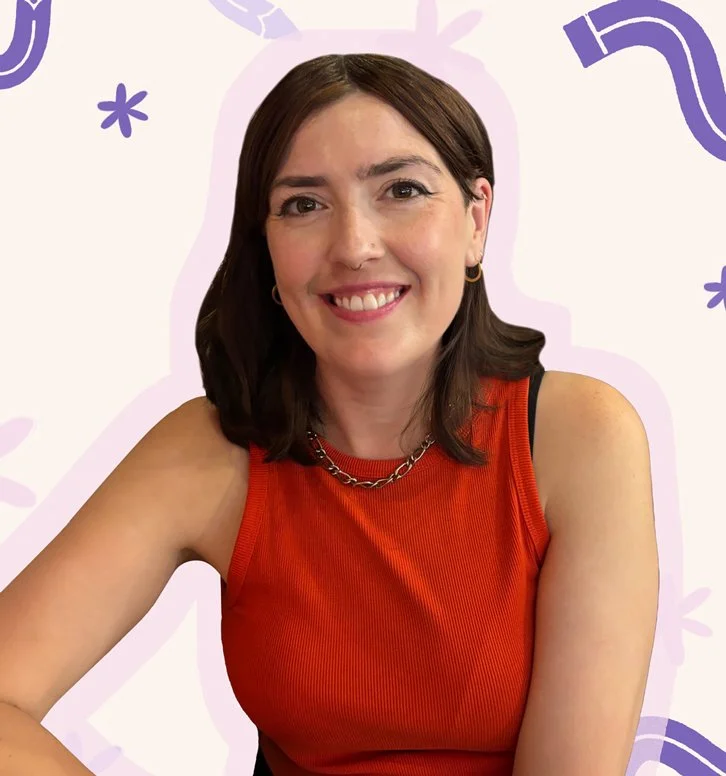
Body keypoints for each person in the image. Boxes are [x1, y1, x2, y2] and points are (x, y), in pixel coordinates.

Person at [0, 53, 658, 776]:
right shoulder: (211, 449)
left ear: (476, 221)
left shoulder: (580, 436)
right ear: (267, 250)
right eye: (303, 205)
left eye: (401, 190)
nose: (354, 246)